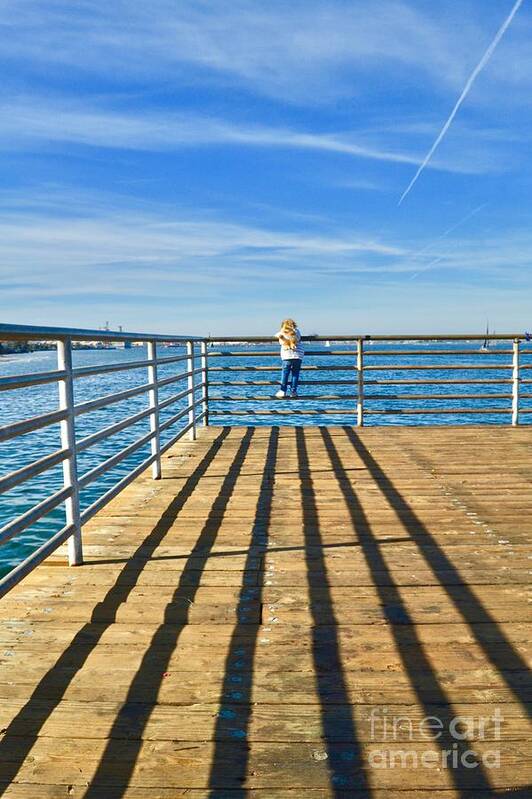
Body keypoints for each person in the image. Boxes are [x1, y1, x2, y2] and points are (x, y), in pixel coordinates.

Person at [274, 319, 304, 398]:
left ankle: (283, 390)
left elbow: (280, 341)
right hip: (298, 356)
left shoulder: (283, 332)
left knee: (285, 374)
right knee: (295, 374)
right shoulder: (297, 331)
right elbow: (298, 339)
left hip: (287, 356)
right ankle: (293, 391)